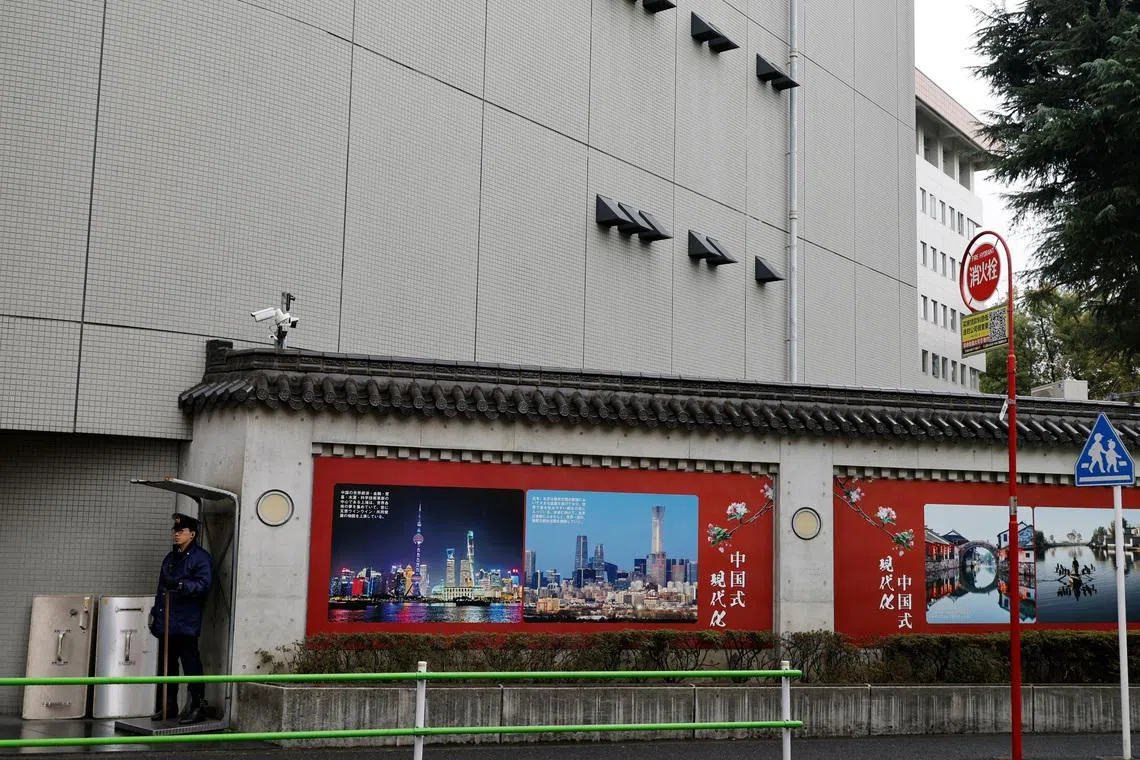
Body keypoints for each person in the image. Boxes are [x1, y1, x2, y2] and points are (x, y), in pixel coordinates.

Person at [149, 512, 213, 724]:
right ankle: (168, 705)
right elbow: (161, 589)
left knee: (191, 664)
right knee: (167, 666)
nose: (176, 535)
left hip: (185, 622)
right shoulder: (170, 558)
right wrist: (155, 615)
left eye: (181, 531)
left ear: (192, 534)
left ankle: (197, 706)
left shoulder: (200, 558)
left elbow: (204, 585)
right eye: (174, 531)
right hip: (166, 621)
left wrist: (180, 585)